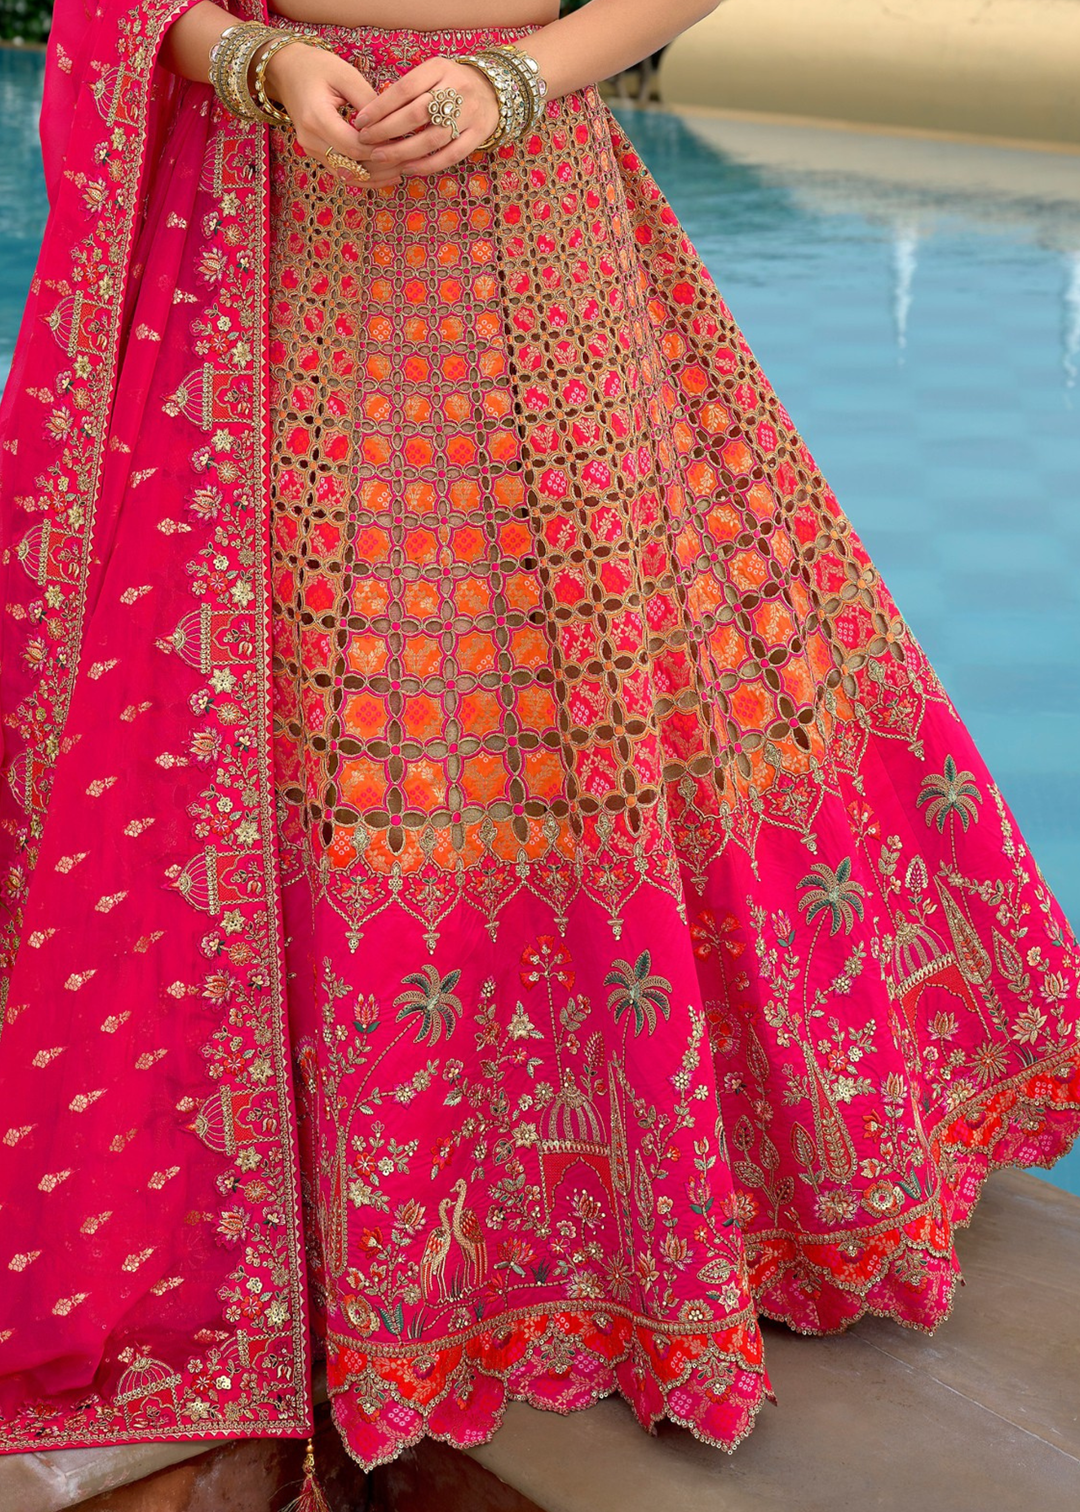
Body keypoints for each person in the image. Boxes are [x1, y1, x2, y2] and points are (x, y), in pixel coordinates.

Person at [1, 0, 1078, 1486]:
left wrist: (519, 79)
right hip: (291, 231)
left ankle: (639, 1220)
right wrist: (251, 60)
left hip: (533, 212)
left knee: (590, 717)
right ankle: (339, 1240)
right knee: (343, 741)